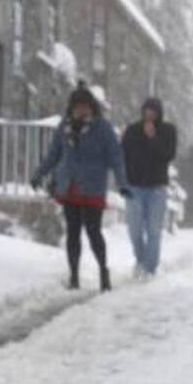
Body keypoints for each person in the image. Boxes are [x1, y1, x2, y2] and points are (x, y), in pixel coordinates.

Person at [30, 85, 130, 292]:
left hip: (92, 188)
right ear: (71, 108)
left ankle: (103, 271)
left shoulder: (102, 128)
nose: (81, 111)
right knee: (73, 232)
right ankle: (74, 276)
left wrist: (123, 184)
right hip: (69, 186)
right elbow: (53, 155)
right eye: (77, 107)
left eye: (85, 107)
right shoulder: (64, 128)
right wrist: (39, 174)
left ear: (92, 108)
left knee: (93, 231)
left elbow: (116, 159)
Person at [121, 98, 178, 277]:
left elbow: (168, 155)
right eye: (147, 111)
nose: (150, 114)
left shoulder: (168, 131)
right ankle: (140, 260)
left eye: (153, 111)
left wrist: (153, 137)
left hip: (157, 188)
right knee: (134, 230)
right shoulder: (132, 131)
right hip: (134, 187)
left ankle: (149, 268)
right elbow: (122, 157)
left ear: (159, 113)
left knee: (154, 230)